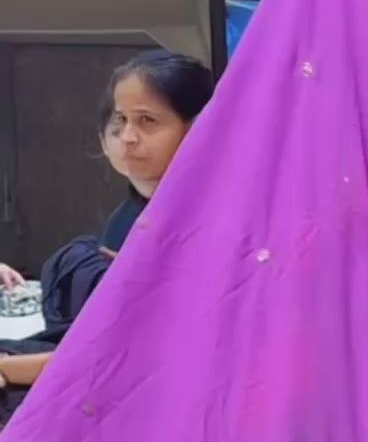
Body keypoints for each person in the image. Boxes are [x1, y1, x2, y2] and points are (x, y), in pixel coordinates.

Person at [0, 50, 213, 422]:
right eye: (121, 120)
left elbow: (132, 359)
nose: (127, 137)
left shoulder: (202, 229)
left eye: (147, 121)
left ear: (196, 129)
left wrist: (8, 367)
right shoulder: (131, 215)